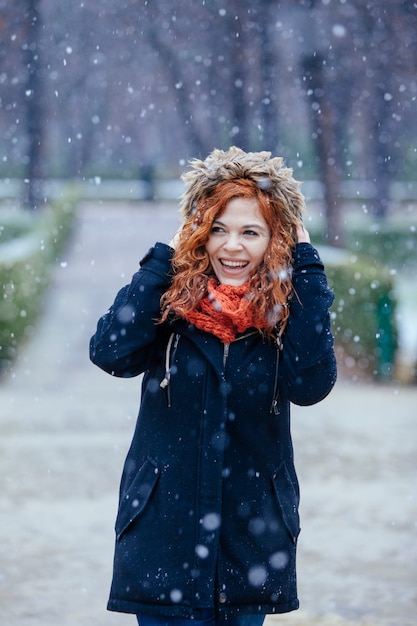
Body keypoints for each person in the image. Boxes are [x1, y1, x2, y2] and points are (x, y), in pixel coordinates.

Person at [90, 146, 337, 626]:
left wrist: (306, 267)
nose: (232, 247)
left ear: (276, 240)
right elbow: (110, 352)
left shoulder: (287, 315)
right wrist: (163, 260)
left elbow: (310, 384)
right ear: (199, 233)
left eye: (251, 232)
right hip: (164, 535)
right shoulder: (168, 302)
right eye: (218, 229)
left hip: (250, 540)